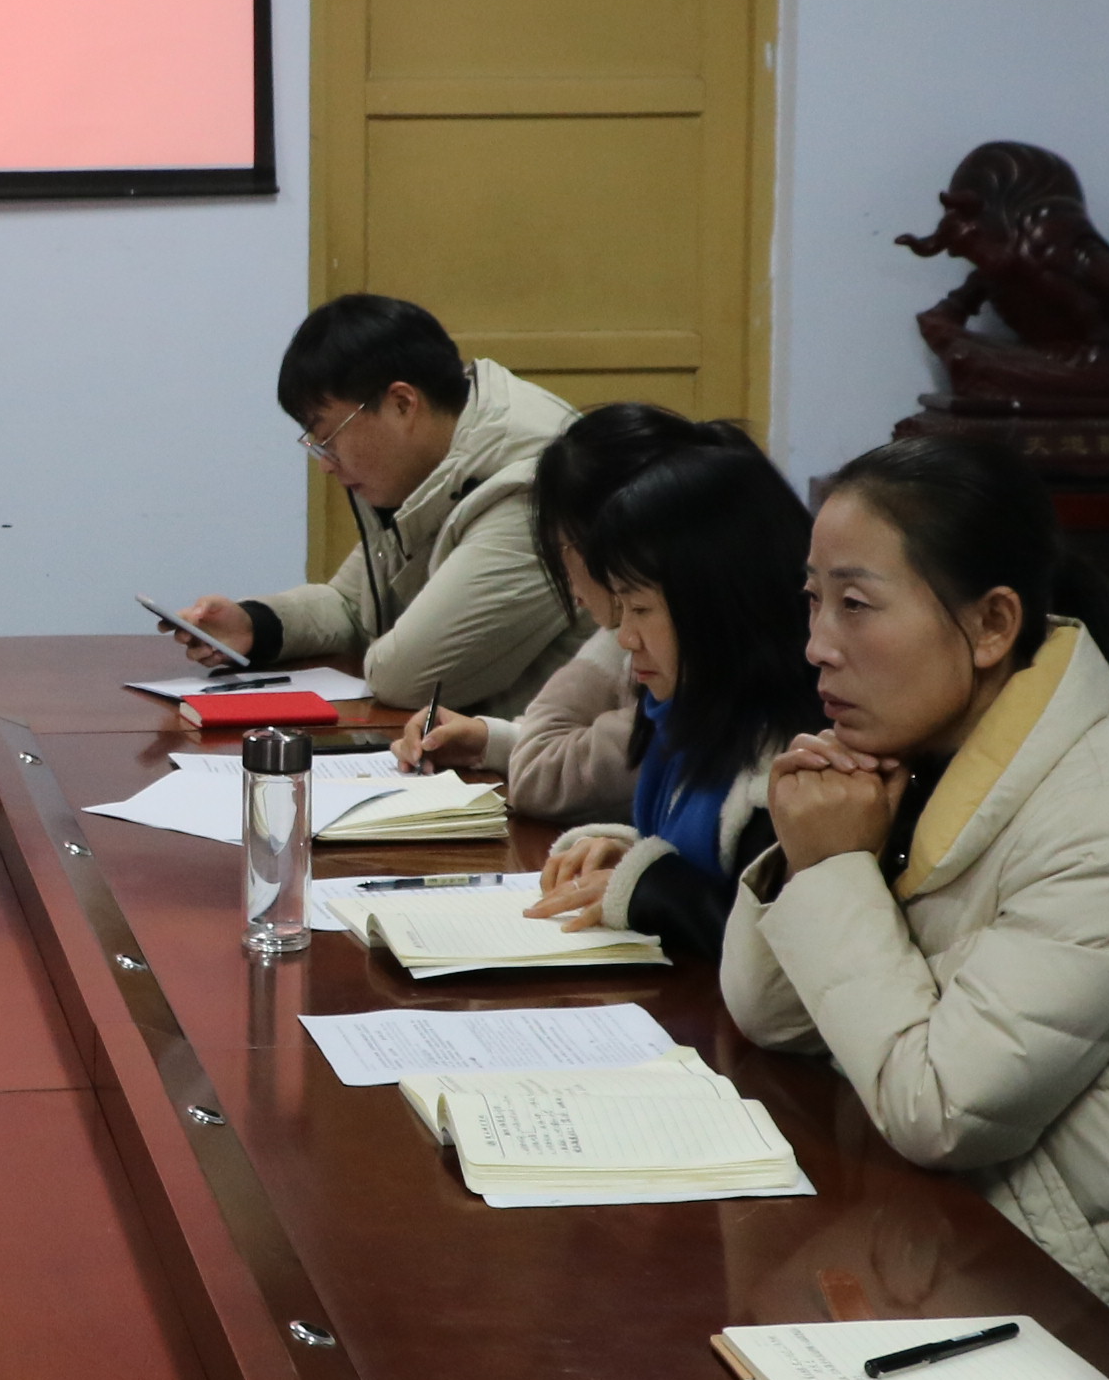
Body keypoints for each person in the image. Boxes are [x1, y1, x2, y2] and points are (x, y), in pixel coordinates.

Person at [719, 437, 1109, 1344]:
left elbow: (943, 1111)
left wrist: (835, 871)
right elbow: (770, 1015)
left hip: (1101, 1310)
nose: (817, 648)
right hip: (946, 1240)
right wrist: (808, 854)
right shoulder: (916, 750)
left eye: (855, 606)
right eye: (813, 601)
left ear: (993, 625)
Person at [169, 294, 583, 713]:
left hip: (557, 750)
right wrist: (255, 625)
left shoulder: (535, 486)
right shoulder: (432, 462)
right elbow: (354, 607)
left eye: (328, 439)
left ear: (402, 404)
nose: (325, 464)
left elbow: (407, 678)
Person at [522, 439, 823, 961]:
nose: (624, 638)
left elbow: (771, 947)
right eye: (620, 607)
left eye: (640, 609)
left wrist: (650, 884)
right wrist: (628, 857)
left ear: (719, 605)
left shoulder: (791, 764)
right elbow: (689, 860)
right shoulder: (689, 713)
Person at [388, 402, 718, 816]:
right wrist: (489, 740)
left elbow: (539, 773)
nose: (562, 569)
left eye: (561, 545)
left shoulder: (693, 677)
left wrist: (617, 629)